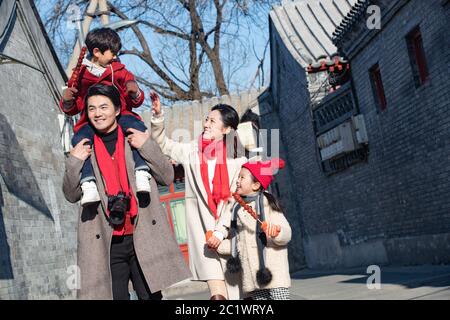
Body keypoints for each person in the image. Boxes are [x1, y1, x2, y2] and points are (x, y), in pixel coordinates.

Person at [62, 84, 191, 299]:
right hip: (105, 241)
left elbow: (167, 176)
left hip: (142, 235)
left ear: (118, 110)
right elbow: (70, 194)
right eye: (92, 108)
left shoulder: (134, 137)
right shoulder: (83, 146)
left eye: (103, 107)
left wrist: (147, 145)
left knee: (150, 296)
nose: (97, 113)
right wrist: (75, 161)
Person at [149, 91, 247, 300]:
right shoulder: (192, 151)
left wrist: (221, 232)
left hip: (230, 233)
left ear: (227, 129)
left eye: (212, 121)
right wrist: (158, 117)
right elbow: (163, 144)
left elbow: (235, 199)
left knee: (239, 293)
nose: (206, 124)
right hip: (204, 232)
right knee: (217, 296)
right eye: (206, 119)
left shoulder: (238, 160)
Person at [61, 27, 152, 206]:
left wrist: (134, 92)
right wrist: (68, 100)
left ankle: (141, 171)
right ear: (96, 52)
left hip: (121, 114)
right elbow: (74, 107)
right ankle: (88, 184)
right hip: (91, 120)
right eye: (112, 53)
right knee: (80, 141)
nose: (115, 57)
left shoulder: (119, 71)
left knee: (136, 127)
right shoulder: (81, 75)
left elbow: (135, 100)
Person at [207, 158, 292, 300]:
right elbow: (238, 242)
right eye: (238, 177)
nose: (237, 180)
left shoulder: (268, 203)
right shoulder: (236, 208)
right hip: (254, 277)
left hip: (274, 273)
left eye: (242, 177)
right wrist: (217, 243)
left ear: (256, 184)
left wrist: (278, 232)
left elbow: (286, 232)